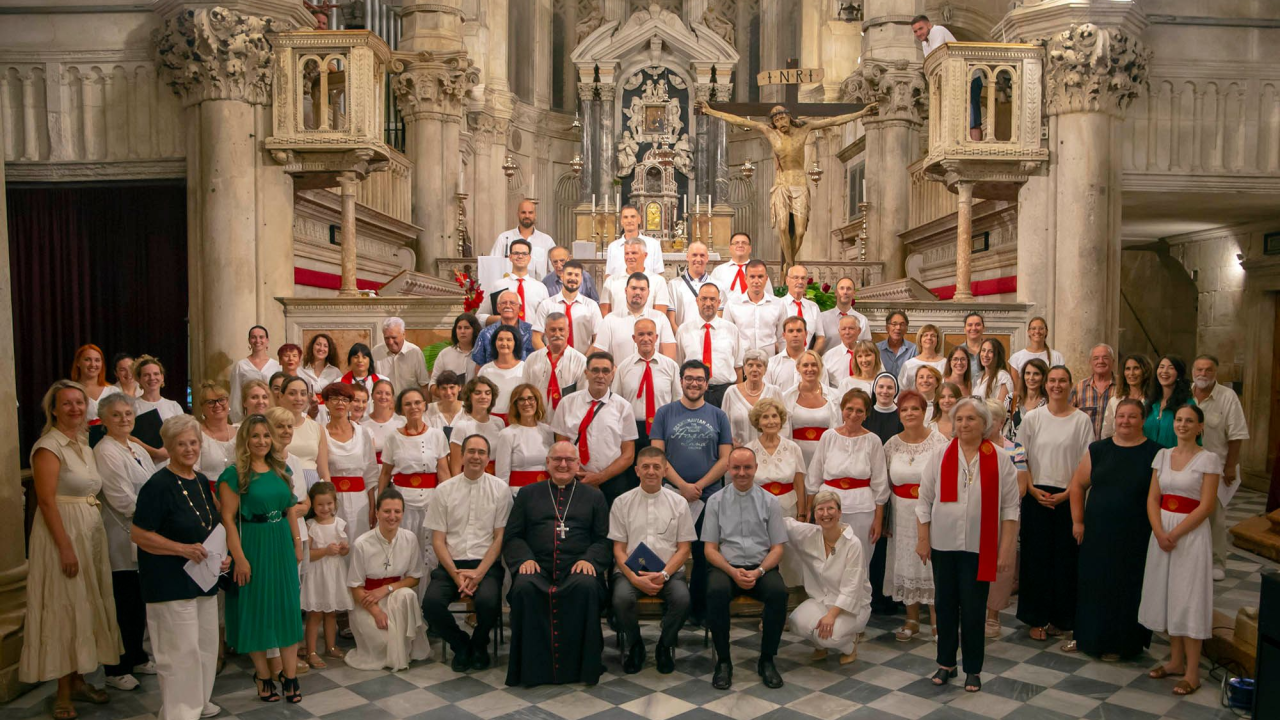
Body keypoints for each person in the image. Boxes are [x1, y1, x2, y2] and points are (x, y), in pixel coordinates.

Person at [24, 381, 122, 717]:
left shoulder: (82, 443)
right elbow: (46, 501)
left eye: (79, 403)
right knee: (65, 607)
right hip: (62, 533)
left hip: (88, 532)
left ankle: (79, 680)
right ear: (53, 409)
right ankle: (62, 693)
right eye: (66, 403)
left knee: (84, 605)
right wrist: (65, 547)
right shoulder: (48, 447)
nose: (75, 409)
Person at [916, 397, 1020, 693]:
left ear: (984, 423)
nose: (964, 424)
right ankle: (946, 663)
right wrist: (923, 539)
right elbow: (924, 500)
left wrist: (1006, 549)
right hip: (943, 543)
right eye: (959, 419)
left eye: (971, 418)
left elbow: (1010, 508)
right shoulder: (940, 454)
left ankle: (973, 669)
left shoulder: (999, 458)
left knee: (974, 610)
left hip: (980, 546)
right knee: (945, 606)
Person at [130, 414, 227, 720]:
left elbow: (211, 524)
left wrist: (221, 555)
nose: (189, 449)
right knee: (179, 651)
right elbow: (139, 534)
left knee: (205, 645)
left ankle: (200, 701)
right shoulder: (157, 485)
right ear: (169, 447)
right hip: (168, 580)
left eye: (193, 442)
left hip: (203, 577)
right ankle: (180, 711)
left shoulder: (199, 480)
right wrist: (181, 549)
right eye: (181, 444)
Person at [503, 441, 612, 687]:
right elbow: (513, 536)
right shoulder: (528, 494)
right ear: (547, 463)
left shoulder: (594, 496)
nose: (563, 464)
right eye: (557, 459)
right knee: (524, 587)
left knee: (586, 586)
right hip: (537, 567)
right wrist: (525, 559)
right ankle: (531, 670)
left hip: (577, 567)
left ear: (578, 464)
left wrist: (589, 560)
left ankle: (583, 668)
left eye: (569, 460)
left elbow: (604, 538)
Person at [1066, 398, 1161, 659]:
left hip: (1135, 533)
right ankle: (1088, 638)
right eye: (1121, 416)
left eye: (1132, 416)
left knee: (1127, 587)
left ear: (1143, 420)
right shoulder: (1098, 449)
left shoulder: (1156, 453)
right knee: (1094, 584)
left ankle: (1122, 645)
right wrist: (1078, 521)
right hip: (1097, 531)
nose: (1125, 421)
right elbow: (1077, 485)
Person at [219, 416, 305, 704]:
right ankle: (263, 675)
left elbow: (290, 509)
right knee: (255, 608)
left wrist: (297, 544)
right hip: (252, 544)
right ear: (245, 439)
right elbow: (228, 520)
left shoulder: (282, 469)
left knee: (287, 608)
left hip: (281, 541)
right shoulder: (234, 475)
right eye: (255, 436)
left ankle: (290, 676)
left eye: (266, 435)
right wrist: (239, 558)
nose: (262, 441)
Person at [1139, 405, 1219, 697]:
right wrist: (1159, 531)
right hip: (1162, 531)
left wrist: (1174, 533)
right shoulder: (1162, 455)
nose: (1183, 425)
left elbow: (1207, 505)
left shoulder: (1208, 459)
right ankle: (1175, 661)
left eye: (1190, 421)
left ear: (1200, 427)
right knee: (1168, 592)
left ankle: (1192, 672)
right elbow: (1153, 498)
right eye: (1179, 420)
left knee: (1188, 597)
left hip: (1190, 533)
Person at [650, 360, 734, 624]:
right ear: (681, 381)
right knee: (666, 551)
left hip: (708, 498)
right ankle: (671, 609)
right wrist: (682, 487)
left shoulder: (718, 416)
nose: (694, 383)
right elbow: (657, 456)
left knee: (702, 554)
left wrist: (699, 486)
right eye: (689, 378)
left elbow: (726, 459)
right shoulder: (664, 413)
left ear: (707, 384)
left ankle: (698, 611)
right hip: (671, 495)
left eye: (699, 379)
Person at [423, 434, 513, 671]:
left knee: (489, 602)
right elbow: (438, 540)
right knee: (431, 605)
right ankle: (461, 644)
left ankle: (480, 644)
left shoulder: (500, 489)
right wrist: (456, 575)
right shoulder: (444, 490)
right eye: (471, 451)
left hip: (486, 565)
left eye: (481, 452)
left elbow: (500, 537)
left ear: (488, 458)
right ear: (461, 456)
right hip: (450, 565)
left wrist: (479, 573)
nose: (476, 456)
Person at [1017, 366, 1094, 642]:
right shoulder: (1033, 418)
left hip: (1069, 495)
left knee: (1065, 560)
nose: (1057, 385)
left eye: (1062, 381)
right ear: (1046, 385)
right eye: (1052, 380)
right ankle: (1036, 618)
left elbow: (1086, 460)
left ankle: (1062, 618)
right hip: (1036, 493)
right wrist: (1030, 487)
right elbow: (1019, 455)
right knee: (1035, 560)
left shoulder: (1081, 420)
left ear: (1070, 385)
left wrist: (1069, 492)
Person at [703, 447, 790, 690]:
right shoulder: (715, 501)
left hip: (761, 567)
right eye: (736, 468)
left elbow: (778, 548)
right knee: (715, 592)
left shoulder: (770, 501)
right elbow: (710, 549)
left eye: (747, 467)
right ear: (728, 469)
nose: (742, 473)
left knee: (779, 593)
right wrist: (732, 572)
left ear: (756, 468)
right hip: (726, 567)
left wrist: (759, 571)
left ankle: (767, 659)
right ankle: (723, 661)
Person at [608, 447, 697, 674]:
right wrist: (634, 579)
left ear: (665, 471)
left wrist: (664, 574)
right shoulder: (621, 502)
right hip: (630, 572)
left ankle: (664, 646)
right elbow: (618, 549)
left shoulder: (679, 503)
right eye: (645, 467)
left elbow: (684, 549)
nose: (651, 471)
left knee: (682, 599)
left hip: (669, 572)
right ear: (637, 470)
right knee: (621, 598)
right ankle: (635, 644)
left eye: (656, 467)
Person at [92, 393, 156, 690]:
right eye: (116, 415)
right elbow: (121, 498)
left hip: (144, 532)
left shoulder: (135, 447)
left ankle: (137, 656)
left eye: (128, 413)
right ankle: (117, 668)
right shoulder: (106, 451)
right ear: (104, 420)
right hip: (121, 535)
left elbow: (153, 485)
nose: (124, 419)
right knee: (123, 603)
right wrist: (157, 517)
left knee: (138, 601)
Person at [805, 389, 889, 580]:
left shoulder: (873, 441)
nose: (853, 414)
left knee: (859, 558)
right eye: (849, 409)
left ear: (866, 414)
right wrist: (811, 511)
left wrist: (878, 519)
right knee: (829, 557)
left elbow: (880, 483)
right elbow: (814, 476)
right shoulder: (828, 436)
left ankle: (857, 598)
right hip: (828, 507)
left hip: (862, 509)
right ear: (842, 410)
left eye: (860, 411)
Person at [884, 390, 948, 641]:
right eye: (904, 409)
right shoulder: (891, 444)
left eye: (915, 409)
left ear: (925, 412)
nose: (910, 413)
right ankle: (911, 619)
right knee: (906, 561)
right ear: (899, 414)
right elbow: (884, 483)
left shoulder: (939, 442)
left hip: (931, 512)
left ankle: (937, 619)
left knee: (931, 565)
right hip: (900, 513)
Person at [345, 488, 432, 671]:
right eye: (386, 511)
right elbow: (355, 587)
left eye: (397, 511)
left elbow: (414, 578)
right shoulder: (361, 544)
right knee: (384, 643)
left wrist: (387, 588)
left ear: (403, 513)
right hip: (367, 601)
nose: (392, 516)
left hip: (395, 598)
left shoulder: (409, 539)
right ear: (377, 513)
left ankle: (404, 649)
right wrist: (376, 612)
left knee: (407, 594)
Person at [781, 491, 871, 663]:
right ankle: (820, 643)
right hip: (822, 600)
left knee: (828, 637)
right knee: (795, 623)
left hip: (851, 607)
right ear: (814, 514)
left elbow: (852, 588)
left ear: (839, 512)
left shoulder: (853, 544)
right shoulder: (808, 534)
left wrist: (831, 616)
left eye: (830, 508)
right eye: (820, 509)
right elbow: (784, 524)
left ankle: (850, 645)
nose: (825, 514)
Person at [378, 387, 449, 581]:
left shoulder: (436, 435)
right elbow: (385, 473)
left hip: (432, 500)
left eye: (417, 402)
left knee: (430, 548)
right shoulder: (393, 437)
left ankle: (429, 594)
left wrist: (449, 502)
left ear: (424, 405)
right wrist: (378, 504)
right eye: (408, 404)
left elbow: (444, 473)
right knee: (405, 547)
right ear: (401, 409)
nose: (413, 407)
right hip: (403, 501)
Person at [1190, 354, 1249, 582]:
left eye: (1208, 370)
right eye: (1199, 369)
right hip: (1187, 466)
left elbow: (1237, 434)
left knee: (1214, 516)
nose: (1203, 374)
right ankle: (1192, 560)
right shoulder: (1185, 395)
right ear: (1193, 371)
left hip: (1214, 468)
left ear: (1216, 372)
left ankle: (1217, 562)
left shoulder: (1227, 396)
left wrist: (1230, 466)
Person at [553, 352, 639, 504]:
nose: (600, 376)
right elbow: (561, 446)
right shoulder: (567, 403)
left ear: (612, 374)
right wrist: (580, 474)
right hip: (575, 479)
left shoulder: (623, 407)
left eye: (605, 371)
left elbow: (628, 454)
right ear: (586, 373)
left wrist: (600, 477)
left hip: (613, 481)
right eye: (595, 370)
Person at [985, 399, 1030, 639]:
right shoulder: (974, 446)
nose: (986, 424)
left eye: (992, 420)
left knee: (1001, 566)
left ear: (1002, 421)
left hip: (1005, 515)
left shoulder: (1015, 449)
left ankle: (993, 615)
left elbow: (1021, 486)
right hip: (977, 515)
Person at [301, 482, 352, 670]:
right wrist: (325, 551)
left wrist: (344, 549)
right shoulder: (310, 525)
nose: (325, 508)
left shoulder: (340, 523)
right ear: (313, 505)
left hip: (334, 573)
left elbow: (344, 550)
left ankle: (330, 646)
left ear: (335, 503)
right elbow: (307, 555)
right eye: (320, 504)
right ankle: (311, 651)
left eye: (329, 504)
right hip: (317, 574)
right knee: (315, 614)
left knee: (331, 613)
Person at [612, 319, 680, 458]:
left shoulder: (671, 366)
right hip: (631, 430)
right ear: (634, 338)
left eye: (650, 334)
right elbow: (615, 403)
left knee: (660, 467)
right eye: (641, 334)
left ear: (656, 337)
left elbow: (677, 401)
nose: (646, 339)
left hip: (662, 427)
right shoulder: (623, 367)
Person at [325, 383, 380, 539]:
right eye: (334, 399)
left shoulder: (363, 433)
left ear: (349, 404)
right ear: (327, 403)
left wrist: (372, 506)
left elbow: (370, 473)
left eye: (344, 399)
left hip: (360, 501)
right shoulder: (321, 432)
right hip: (332, 500)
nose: (340, 403)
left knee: (359, 542)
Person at [675, 282, 740, 407]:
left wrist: (738, 397)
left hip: (725, 392)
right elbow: (678, 366)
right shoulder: (683, 330)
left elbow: (738, 366)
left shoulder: (731, 329)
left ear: (719, 302)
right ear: (697, 301)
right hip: (693, 391)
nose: (708, 303)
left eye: (712, 299)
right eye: (704, 299)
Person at [590, 273, 677, 361]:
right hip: (619, 370)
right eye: (634, 288)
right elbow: (600, 356)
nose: (637, 292)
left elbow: (669, 359)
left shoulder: (661, 318)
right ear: (626, 290)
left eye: (642, 289)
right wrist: (621, 370)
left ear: (648, 293)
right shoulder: (609, 320)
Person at [745, 398, 806, 521]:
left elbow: (799, 485)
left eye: (774, 416)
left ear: (781, 419)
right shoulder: (748, 450)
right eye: (765, 417)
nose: (771, 421)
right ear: (758, 422)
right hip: (757, 511)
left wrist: (801, 515)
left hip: (789, 512)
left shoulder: (793, 448)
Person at [493, 384, 556, 493]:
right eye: (521, 399)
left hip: (545, 492)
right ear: (515, 404)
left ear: (537, 401)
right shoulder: (507, 434)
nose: (526, 403)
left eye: (530, 398)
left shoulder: (548, 431)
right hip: (517, 493)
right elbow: (502, 475)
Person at [783, 350, 841, 467]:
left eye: (814, 365)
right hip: (795, 457)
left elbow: (838, 428)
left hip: (826, 456)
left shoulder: (834, 396)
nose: (810, 369)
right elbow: (783, 432)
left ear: (820, 367)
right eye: (805, 365)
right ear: (798, 368)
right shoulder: (787, 397)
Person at [534, 260, 601, 356]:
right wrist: (549, 359)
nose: (573, 278)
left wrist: (585, 361)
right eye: (569, 274)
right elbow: (536, 337)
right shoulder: (546, 305)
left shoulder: (591, 306)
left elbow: (598, 339)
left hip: (583, 360)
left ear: (581, 279)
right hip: (552, 361)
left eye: (576, 275)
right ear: (562, 276)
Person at [523, 312, 586, 411]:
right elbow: (524, 392)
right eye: (552, 330)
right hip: (537, 417)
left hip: (568, 417)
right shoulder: (532, 359)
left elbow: (583, 397)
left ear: (568, 331)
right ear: (545, 332)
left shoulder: (581, 361)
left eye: (561, 330)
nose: (557, 334)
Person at [723, 260, 788, 355]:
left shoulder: (778, 304)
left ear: (766, 278)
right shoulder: (732, 304)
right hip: (741, 361)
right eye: (752, 277)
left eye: (760, 277)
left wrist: (784, 360)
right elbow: (727, 337)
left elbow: (783, 338)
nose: (756, 281)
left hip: (770, 361)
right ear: (745, 278)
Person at [723, 350, 785, 447]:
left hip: (769, 450)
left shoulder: (774, 392)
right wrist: (730, 443)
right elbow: (723, 425)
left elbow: (784, 425)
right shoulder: (731, 392)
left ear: (765, 369)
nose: (754, 369)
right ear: (744, 369)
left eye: (759, 366)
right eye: (750, 365)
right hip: (739, 452)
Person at [483, 238, 550, 326]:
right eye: (516, 253)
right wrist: (500, 319)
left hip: (532, 333)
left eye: (524, 254)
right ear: (510, 257)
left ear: (529, 258)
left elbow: (547, 318)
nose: (520, 256)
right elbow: (480, 316)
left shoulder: (540, 288)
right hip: (505, 333)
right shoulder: (498, 286)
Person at [134, 355, 187, 465]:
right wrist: (155, 453)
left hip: (172, 463)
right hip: (143, 464)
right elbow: (127, 437)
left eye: (156, 374)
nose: (152, 378)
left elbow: (184, 434)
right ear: (139, 379)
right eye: (146, 375)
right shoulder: (132, 406)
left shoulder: (173, 406)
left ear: (162, 377)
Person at [601, 238, 670, 318]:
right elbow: (605, 316)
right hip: (617, 325)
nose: (630, 257)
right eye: (627, 253)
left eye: (634, 253)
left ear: (645, 255)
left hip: (646, 325)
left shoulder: (658, 281)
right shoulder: (611, 281)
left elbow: (659, 316)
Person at [450, 377, 506, 475]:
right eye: (477, 393)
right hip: (469, 478)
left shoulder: (499, 423)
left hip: (494, 478)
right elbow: (455, 468)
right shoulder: (461, 426)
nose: (483, 396)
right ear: (469, 397)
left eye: (488, 393)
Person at [490, 198, 556, 278]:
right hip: (510, 285)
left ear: (535, 215)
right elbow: (493, 266)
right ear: (517, 214)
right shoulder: (503, 238)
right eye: (523, 212)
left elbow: (555, 269)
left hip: (537, 285)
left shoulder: (547, 241)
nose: (527, 216)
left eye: (530, 212)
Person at [282, 376, 329, 485]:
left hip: (313, 487)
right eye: (292, 393)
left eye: (303, 394)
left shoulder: (317, 428)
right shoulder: (272, 427)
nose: (298, 398)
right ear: (281, 396)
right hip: (285, 484)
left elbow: (324, 472)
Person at [230, 326, 282, 422]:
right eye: (254, 337)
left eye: (261, 337)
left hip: (272, 416)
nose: (258, 340)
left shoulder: (277, 366)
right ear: (249, 340)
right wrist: (238, 420)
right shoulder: (241, 366)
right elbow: (236, 396)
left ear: (267, 340)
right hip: (250, 416)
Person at [477, 325, 527, 422]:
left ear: (515, 343)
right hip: (490, 420)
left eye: (509, 340)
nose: (504, 343)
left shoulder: (524, 368)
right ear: (494, 343)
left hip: (517, 419)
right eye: (500, 339)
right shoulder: (486, 370)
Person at [194, 381, 236, 494]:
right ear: (202, 408)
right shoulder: (197, 435)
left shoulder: (239, 432)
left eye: (221, 400)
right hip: (208, 493)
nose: (217, 405)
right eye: (210, 402)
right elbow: (193, 473)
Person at [710, 232, 775, 303]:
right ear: (730, 248)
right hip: (726, 309)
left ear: (750, 248)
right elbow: (710, 295)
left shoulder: (759, 270)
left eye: (744, 243)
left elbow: (769, 295)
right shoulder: (718, 271)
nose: (740, 245)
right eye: (736, 243)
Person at [1144, 355, 1194, 448]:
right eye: (1161, 367)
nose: (1164, 371)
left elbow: (1194, 438)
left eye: (1171, 368)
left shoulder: (1187, 404)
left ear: (1179, 374)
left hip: (1175, 455)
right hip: (1147, 455)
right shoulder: (1149, 402)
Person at [1070, 343, 1117, 440]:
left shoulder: (1123, 386)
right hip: (1085, 445)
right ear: (1090, 362)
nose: (1101, 361)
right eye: (1096, 358)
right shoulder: (1079, 387)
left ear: (1113, 361)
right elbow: (1068, 416)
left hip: (1114, 445)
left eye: (1105, 358)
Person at [1101, 353, 1152, 440]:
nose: (1131, 373)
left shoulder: (1153, 401)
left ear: (1145, 371)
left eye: (1136, 368)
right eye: (1128, 369)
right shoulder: (1114, 401)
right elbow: (1106, 434)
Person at [604, 205, 664, 278]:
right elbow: (609, 275)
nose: (629, 221)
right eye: (625, 217)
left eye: (633, 217)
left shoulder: (653, 245)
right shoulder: (613, 247)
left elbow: (659, 274)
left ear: (639, 219)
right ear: (621, 221)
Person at [373, 317, 430, 393]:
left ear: (403, 334)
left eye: (394, 337)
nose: (390, 342)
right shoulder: (376, 352)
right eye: (387, 338)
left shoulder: (415, 352)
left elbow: (424, 385)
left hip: (410, 400)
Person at [667, 240, 715, 329]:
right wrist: (681, 336)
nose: (698, 259)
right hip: (683, 335)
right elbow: (671, 321)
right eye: (694, 255)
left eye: (702, 255)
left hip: (709, 336)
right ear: (687, 257)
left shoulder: (716, 285)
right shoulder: (673, 285)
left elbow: (719, 318)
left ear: (707, 258)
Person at [779, 264, 825, 351]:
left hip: (806, 358)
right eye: (796, 278)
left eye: (803, 278)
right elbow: (771, 338)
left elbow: (820, 338)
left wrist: (811, 356)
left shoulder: (813, 307)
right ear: (787, 280)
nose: (800, 281)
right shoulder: (778, 305)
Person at [70, 344, 118, 425]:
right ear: (78, 362)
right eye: (87, 360)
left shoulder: (113, 391)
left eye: (97, 360)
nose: (93, 364)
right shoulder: (70, 392)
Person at [430, 314, 480, 391]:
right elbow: (433, 383)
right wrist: (446, 393)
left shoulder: (482, 353)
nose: (462, 331)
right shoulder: (445, 354)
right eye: (459, 328)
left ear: (474, 330)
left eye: (467, 328)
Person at [817, 277, 871, 345]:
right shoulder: (822, 318)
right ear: (836, 292)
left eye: (849, 289)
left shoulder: (862, 320)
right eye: (842, 288)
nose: (845, 292)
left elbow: (867, 346)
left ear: (854, 293)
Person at [365, 379, 408, 461]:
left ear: (392, 398)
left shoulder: (402, 422)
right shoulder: (362, 423)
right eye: (379, 393)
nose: (383, 397)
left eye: (387, 394)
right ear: (372, 395)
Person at [765, 316, 811, 391]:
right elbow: (767, 394)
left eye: (799, 331)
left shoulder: (817, 364)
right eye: (791, 331)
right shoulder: (771, 364)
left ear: (806, 334)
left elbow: (825, 393)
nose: (795, 334)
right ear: (784, 335)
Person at [1008, 358, 1049, 442]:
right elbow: (1004, 430)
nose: (1031, 378)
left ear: (1044, 377)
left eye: (1036, 374)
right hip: (1013, 449)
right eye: (1027, 373)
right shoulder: (1012, 398)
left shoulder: (1048, 403)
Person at [822, 315, 867, 390]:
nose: (847, 332)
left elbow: (880, 377)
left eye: (851, 328)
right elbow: (823, 385)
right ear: (839, 331)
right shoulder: (828, 357)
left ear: (859, 330)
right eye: (843, 329)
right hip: (838, 396)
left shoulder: (870, 353)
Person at [899, 324, 946, 390]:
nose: (929, 338)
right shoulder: (909, 364)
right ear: (920, 340)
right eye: (925, 335)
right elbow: (902, 388)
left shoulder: (946, 363)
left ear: (938, 340)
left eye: (933, 336)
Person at [877, 311, 918, 379]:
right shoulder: (876, 349)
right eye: (894, 324)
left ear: (906, 328)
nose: (898, 327)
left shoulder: (914, 349)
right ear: (887, 327)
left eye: (902, 324)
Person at [866, 372, 904, 444]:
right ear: (874, 389)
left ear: (895, 391)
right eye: (881, 387)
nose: (885, 391)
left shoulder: (902, 416)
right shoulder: (865, 415)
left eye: (889, 388)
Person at [973, 339, 1014, 403]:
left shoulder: (1003, 376)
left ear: (998, 355)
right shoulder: (978, 376)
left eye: (990, 351)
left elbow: (1001, 406)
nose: (985, 355)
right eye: (983, 350)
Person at [425, 371, 464, 437]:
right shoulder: (428, 410)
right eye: (444, 388)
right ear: (438, 390)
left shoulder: (468, 409)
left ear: (459, 387)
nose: (448, 392)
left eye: (452, 387)